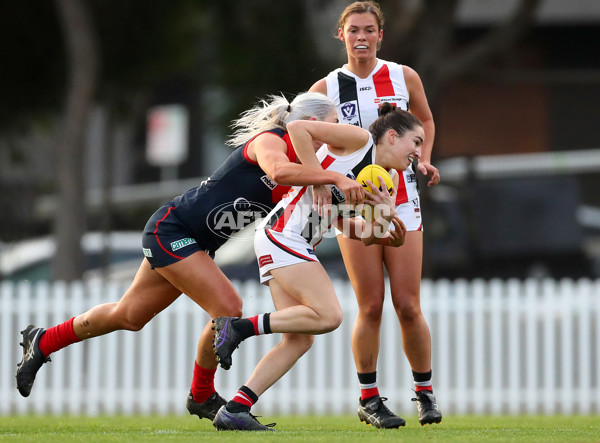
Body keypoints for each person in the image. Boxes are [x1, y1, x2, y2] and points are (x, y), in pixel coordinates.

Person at [15, 92, 364, 421]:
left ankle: (43, 340)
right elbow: (278, 172)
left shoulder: (310, 168)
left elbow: (326, 213)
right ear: (309, 121)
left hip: (194, 241)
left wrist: (375, 219)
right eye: (330, 125)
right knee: (228, 309)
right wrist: (329, 175)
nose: (331, 136)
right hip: (173, 230)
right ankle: (202, 396)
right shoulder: (272, 140)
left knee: (129, 315)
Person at [210, 104, 421, 431]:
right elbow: (298, 129)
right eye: (416, 142)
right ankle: (237, 328)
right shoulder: (361, 140)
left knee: (299, 339)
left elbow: (355, 229)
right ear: (392, 136)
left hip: (285, 238)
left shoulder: (386, 178)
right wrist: (323, 180)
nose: (419, 153)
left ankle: (236, 408)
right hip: (285, 235)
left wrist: (388, 232)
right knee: (329, 315)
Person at [308, 0, 442, 427]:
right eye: (353, 30)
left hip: (400, 198)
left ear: (380, 35)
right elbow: (303, 139)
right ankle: (369, 398)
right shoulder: (325, 88)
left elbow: (424, 118)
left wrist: (421, 157)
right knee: (370, 305)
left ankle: (425, 394)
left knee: (408, 304)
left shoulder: (403, 76)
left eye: (369, 29)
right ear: (342, 35)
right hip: (353, 204)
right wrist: (320, 182)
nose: (361, 37)